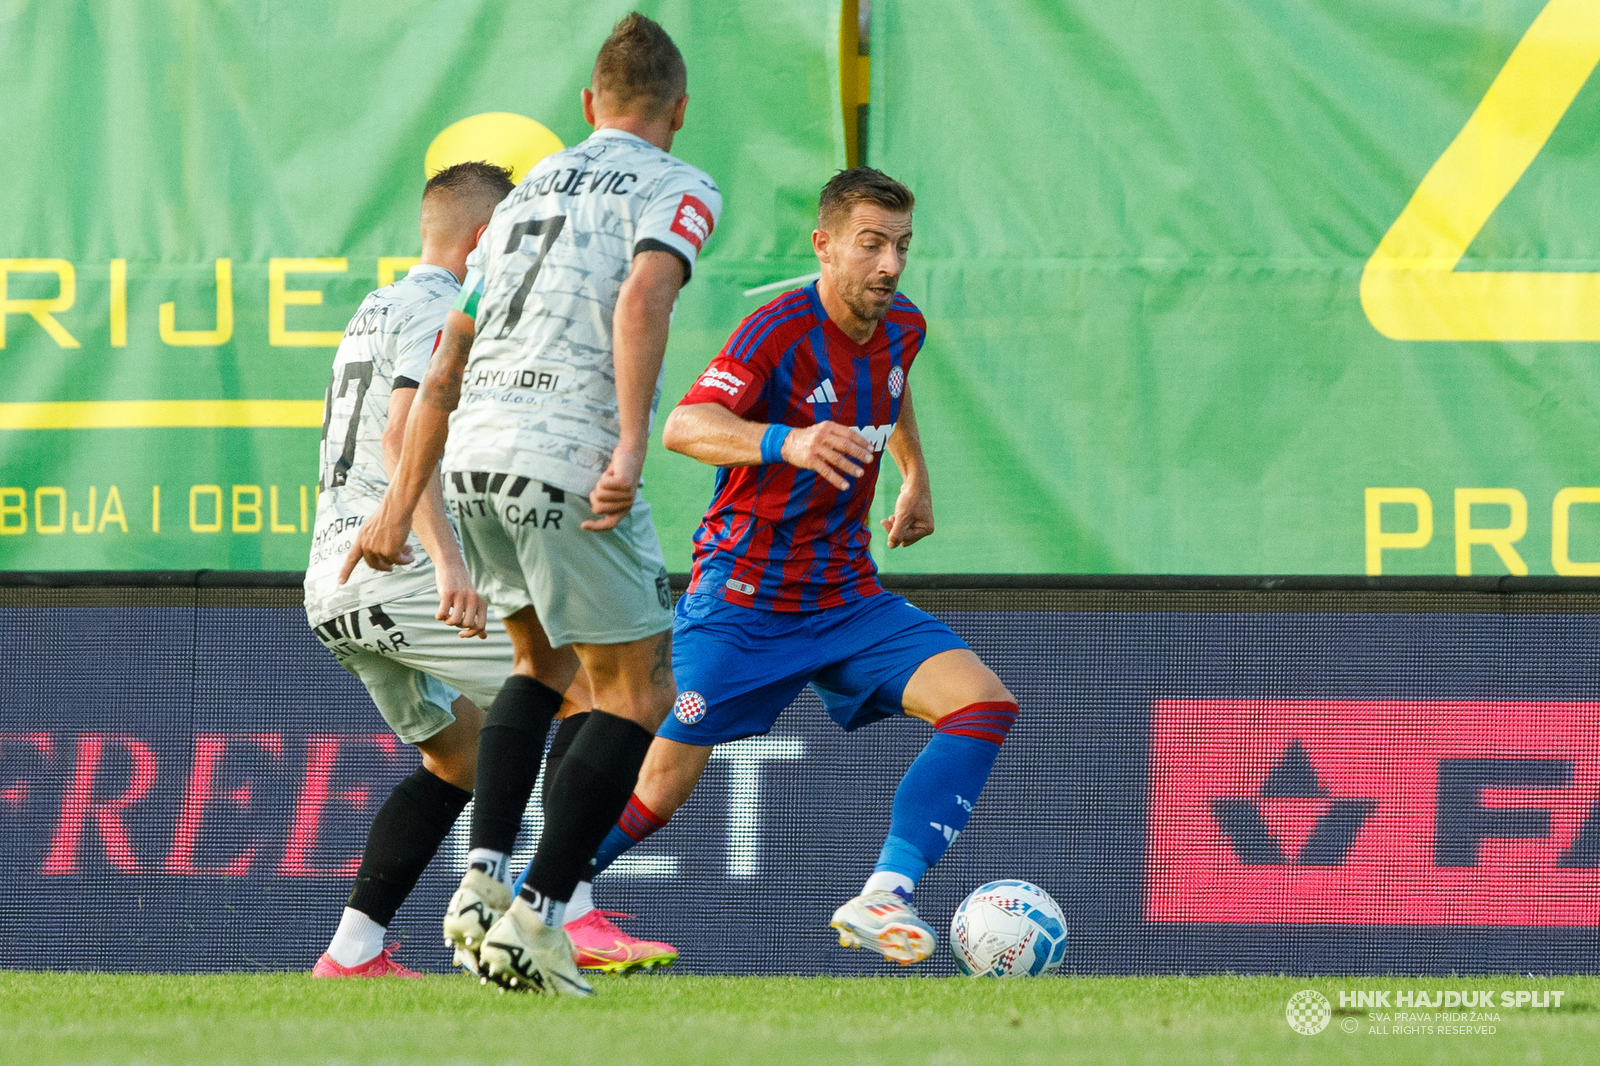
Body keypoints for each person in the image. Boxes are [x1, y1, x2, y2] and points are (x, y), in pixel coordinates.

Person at [343, 12, 720, 995]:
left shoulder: (525, 193)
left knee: (538, 663)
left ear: (588, 106)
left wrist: (399, 504)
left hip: (472, 455)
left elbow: (449, 358)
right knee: (637, 690)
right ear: (679, 108)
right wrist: (632, 442)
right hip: (566, 451)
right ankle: (536, 918)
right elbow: (643, 299)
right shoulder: (679, 184)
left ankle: (479, 882)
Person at [574, 167, 1020, 966]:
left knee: (982, 705)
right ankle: (545, 907)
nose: (890, 264)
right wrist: (791, 440)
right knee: (660, 786)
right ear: (825, 245)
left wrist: (915, 472)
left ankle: (884, 895)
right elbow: (684, 424)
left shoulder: (901, 323)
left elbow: (893, 382)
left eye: (902, 246)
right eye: (872, 244)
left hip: (846, 595)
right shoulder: (777, 330)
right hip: (745, 595)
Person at [303, 161, 515, 977]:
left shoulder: (376, 306)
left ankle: (352, 951)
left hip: (332, 581)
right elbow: (401, 439)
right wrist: (452, 563)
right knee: (587, 694)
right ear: (483, 239)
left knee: (460, 757)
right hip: (399, 570)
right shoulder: (441, 307)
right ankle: (546, 912)